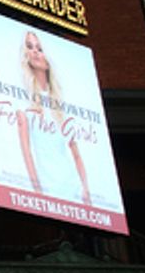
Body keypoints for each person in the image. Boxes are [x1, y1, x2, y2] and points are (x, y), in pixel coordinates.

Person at [15, 30, 91, 204]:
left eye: (39, 48)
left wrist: (85, 189)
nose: (34, 51)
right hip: (48, 189)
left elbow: (76, 154)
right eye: (29, 46)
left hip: (74, 188)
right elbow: (26, 152)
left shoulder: (60, 105)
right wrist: (37, 191)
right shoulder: (23, 103)